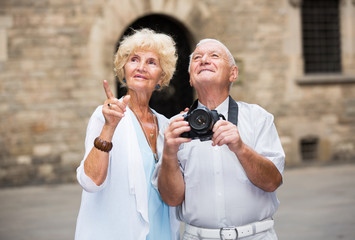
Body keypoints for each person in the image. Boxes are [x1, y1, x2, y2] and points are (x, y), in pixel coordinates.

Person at [156, 39, 285, 240]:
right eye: (197, 58)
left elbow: (272, 182)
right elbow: (172, 199)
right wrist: (169, 154)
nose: (204, 60)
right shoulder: (173, 128)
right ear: (190, 78)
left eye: (214, 56)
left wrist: (241, 148)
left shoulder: (258, 118)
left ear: (233, 73)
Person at [75, 28, 180, 240]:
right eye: (134, 59)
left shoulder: (166, 125)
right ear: (124, 70)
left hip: (163, 233)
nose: (141, 67)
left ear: (162, 76)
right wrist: (109, 127)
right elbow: (90, 182)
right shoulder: (105, 116)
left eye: (151, 62)